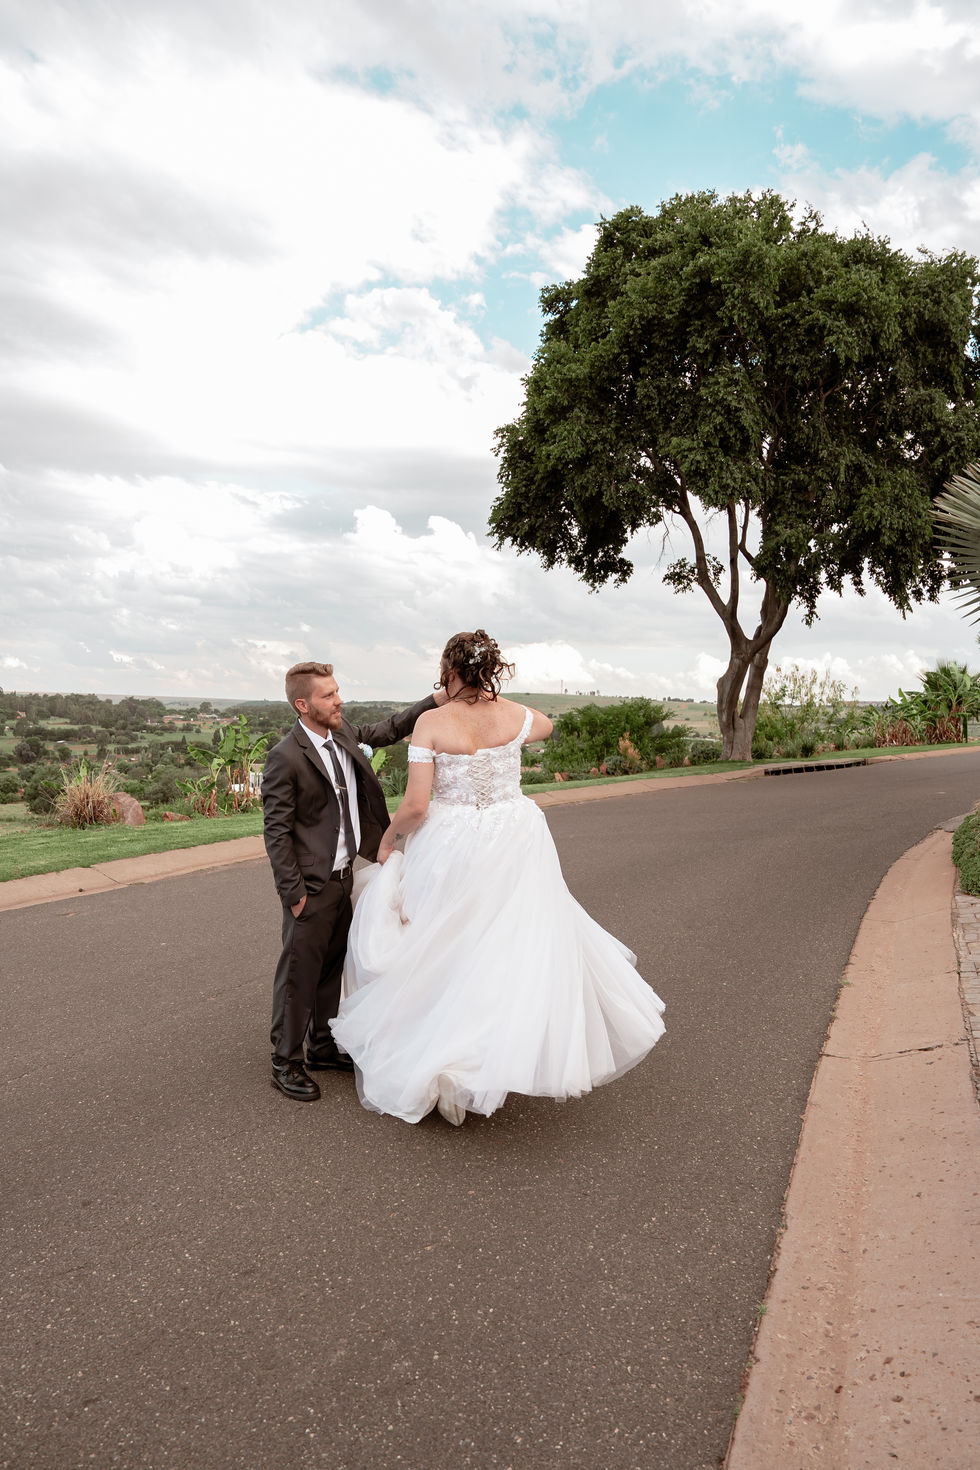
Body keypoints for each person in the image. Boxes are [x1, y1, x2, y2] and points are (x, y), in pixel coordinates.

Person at [331, 630, 666, 1125]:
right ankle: (484, 1054)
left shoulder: (432, 722)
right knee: (505, 944)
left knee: (447, 942)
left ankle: (447, 1054)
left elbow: (417, 805)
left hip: (453, 841)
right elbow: (545, 725)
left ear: (449, 670)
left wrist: (388, 840)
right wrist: (498, 711)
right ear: (490, 669)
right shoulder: (516, 716)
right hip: (514, 835)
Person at [262, 660, 444, 1102]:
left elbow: (390, 728)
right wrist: (294, 894)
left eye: (337, 691)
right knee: (298, 976)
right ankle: (285, 1063)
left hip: (346, 876)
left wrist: (435, 700)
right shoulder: (286, 757)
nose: (338, 700)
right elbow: (277, 832)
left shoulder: (342, 734)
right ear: (303, 705)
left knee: (331, 969)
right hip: (311, 886)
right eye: (328, 695)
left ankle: (322, 1047)